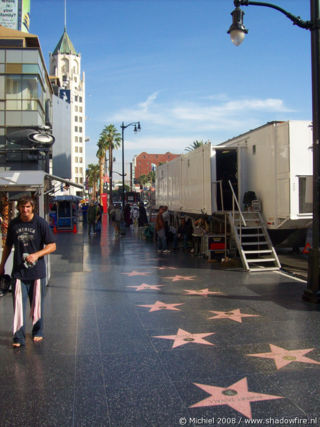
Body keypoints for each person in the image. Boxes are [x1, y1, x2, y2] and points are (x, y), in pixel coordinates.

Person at [0, 195, 56, 348]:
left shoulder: (40, 224)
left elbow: (52, 246)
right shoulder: (14, 224)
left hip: (37, 272)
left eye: (28, 207)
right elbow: (7, 247)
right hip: (18, 272)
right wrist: (2, 264)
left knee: (36, 305)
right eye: (22, 207)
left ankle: (38, 331)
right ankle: (18, 337)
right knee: (18, 305)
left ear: (32, 208)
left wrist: (37, 255)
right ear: (18, 208)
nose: (25, 210)